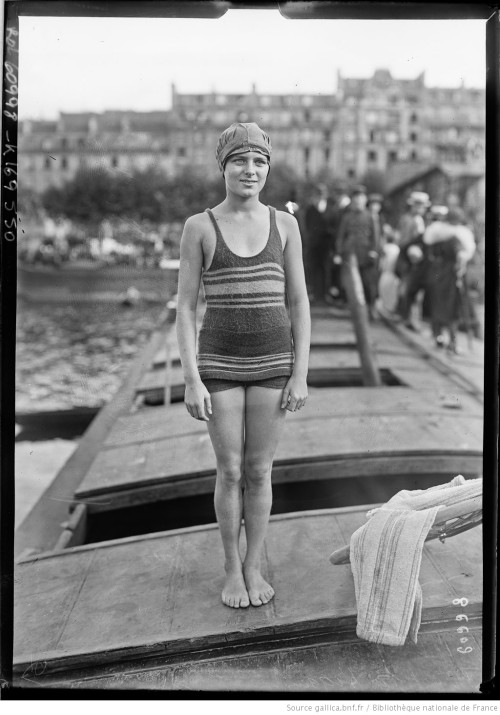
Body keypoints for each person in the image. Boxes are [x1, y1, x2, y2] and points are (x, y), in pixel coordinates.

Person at [176, 123, 310, 609]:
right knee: (229, 469)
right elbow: (186, 307)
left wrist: (301, 371)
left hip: (275, 361)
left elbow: (298, 301)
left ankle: (255, 565)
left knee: (260, 469)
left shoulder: (286, 225)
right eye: (239, 160)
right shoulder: (200, 226)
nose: (249, 170)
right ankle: (232, 570)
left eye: (259, 161)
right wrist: (192, 379)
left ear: (268, 168)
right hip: (220, 364)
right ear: (224, 167)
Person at [423, 206, 477, 352]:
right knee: (453, 306)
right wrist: (460, 268)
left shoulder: (435, 232)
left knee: (437, 303)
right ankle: (451, 341)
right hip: (451, 274)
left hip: (435, 272)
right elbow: (461, 256)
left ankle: (438, 336)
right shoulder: (457, 235)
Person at [335, 185, 379, 319]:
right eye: (356, 199)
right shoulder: (347, 217)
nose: (358, 201)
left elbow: (376, 236)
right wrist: (338, 252)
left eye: (361, 199)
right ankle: (354, 311)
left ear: (365, 200)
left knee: (368, 284)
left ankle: (371, 309)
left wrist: (374, 251)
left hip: (366, 255)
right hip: (350, 255)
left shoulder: (370, 216)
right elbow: (341, 236)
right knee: (351, 284)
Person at [395, 191, 431, 331]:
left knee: (409, 287)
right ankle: (407, 318)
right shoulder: (409, 220)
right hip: (409, 257)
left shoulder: (418, 220)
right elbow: (403, 240)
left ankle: (406, 316)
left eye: (422, 206)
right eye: (417, 205)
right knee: (409, 287)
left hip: (411, 256)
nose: (420, 208)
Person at [303, 184, 333, 304]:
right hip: (314, 245)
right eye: (318, 193)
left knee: (326, 269)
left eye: (322, 193)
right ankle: (315, 294)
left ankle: (325, 294)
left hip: (326, 245)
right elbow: (307, 226)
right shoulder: (310, 209)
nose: (320, 195)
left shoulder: (331, 208)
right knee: (313, 269)